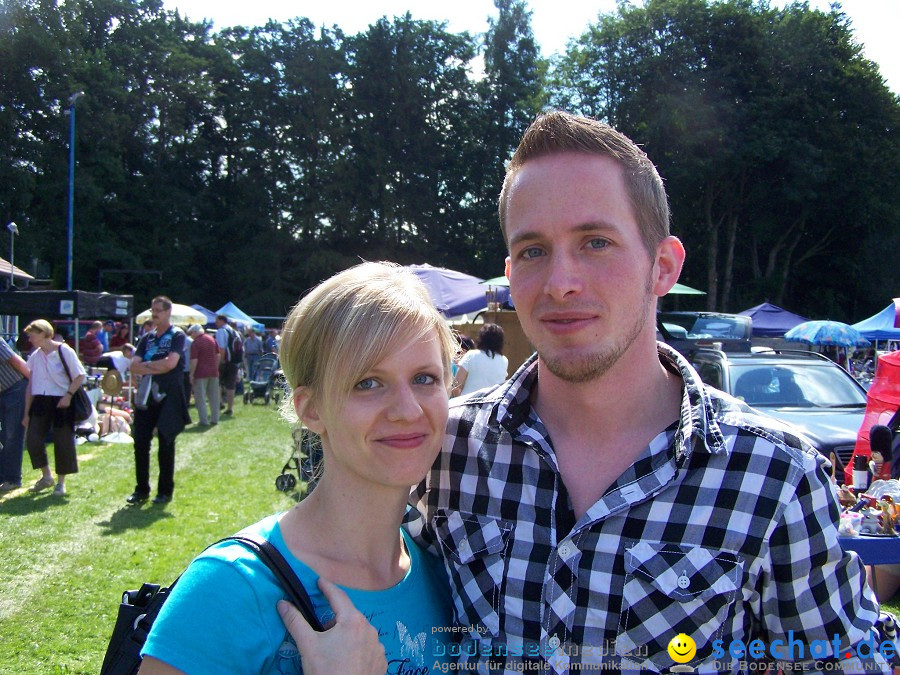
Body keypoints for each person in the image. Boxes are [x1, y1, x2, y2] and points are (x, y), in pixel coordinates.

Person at [404, 111, 887, 672]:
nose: (562, 282)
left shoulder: (774, 477)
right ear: (511, 274)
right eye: (534, 250)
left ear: (662, 266)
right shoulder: (445, 449)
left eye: (596, 242)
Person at [140, 262, 458, 674]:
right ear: (311, 409)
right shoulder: (233, 586)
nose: (407, 409)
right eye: (368, 382)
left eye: (425, 378)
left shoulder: (444, 571)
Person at [127, 296, 190, 505]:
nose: (154, 314)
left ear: (167, 312)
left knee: (166, 443)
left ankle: (164, 492)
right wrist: (156, 365)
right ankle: (141, 490)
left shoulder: (177, 336)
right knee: (141, 442)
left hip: (169, 396)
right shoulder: (146, 338)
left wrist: (147, 365)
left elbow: (171, 364)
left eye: (158, 311)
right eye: (152, 310)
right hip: (146, 396)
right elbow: (133, 366)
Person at [22, 319, 85, 497]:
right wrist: (26, 413)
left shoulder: (64, 351)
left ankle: (61, 482)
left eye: (32, 335)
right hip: (41, 400)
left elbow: (79, 376)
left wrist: (68, 396)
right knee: (33, 439)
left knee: (63, 441)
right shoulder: (35, 356)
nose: (30, 339)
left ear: (43, 333)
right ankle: (46, 476)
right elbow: (31, 385)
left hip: (62, 400)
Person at [0, 337, 30, 491]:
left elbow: (17, 362)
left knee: (12, 435)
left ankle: (12, 479)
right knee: (5, 435)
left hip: (15, 389)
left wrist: (36, 386)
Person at [451, 323, 508, 396]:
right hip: (491, 404)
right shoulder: (504, 360)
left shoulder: (471, 355)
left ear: (481, 338)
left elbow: (456, 385)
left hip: (468, 402)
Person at [187, 324, 220, 427]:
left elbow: (194, 360)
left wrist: (191, 374)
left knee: (200, 398)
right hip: (213, 372)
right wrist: (215, 366)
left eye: (191, 333)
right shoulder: (212, 339)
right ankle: (215, 419)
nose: (191, 336)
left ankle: (204, 420)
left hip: (200, 373)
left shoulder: (195, 343)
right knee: (214, 397)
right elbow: (218, 355)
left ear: (195, 332)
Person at [214, 314, 239, 416]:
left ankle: (220, 403)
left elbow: (221, 348)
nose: (216, 322)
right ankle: (230, 408)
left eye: (217, 320)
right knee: (231, 386)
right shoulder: (234, 331)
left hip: (226, 361)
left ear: (221, 320)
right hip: (234, 361)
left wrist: (222, 361)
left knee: (217, 383)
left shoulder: (221, 331)